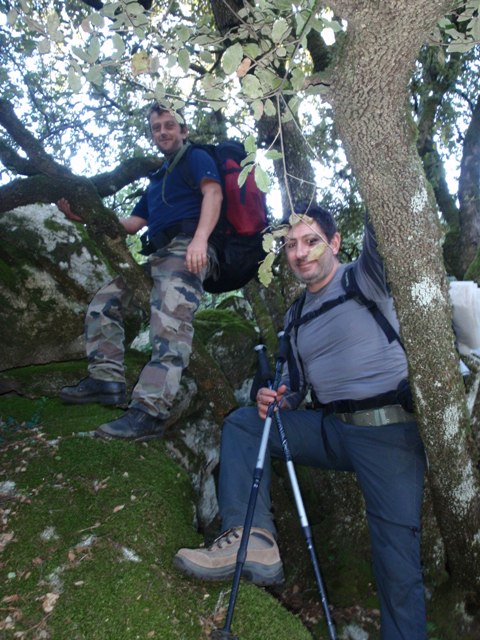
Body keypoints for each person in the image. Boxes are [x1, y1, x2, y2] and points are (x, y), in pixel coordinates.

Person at [174, 204, 427, 640]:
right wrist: (275, 398)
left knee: (396, 560)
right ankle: (252, 539)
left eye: (310, 241)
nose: (300, 253)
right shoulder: (295, 317)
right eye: (290, 245)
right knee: (245, 425)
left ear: (334, 243)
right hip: (332, 431)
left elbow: (386, 224)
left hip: (389, 434)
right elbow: (293, 386)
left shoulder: (362, 277)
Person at [59, 103, 223, 441]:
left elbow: (214, 193)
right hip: (160, 256)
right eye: (156, 128)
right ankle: (106, 379)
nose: (162, 132)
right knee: (104, 302)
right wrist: (85, 216)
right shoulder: (157, 179)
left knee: (170, 328)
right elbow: (132, 225)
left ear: (183, 130)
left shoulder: (196, 157)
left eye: (169, 125)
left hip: (187, 249)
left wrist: (200, 240)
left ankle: (149, 413)